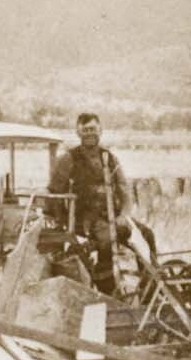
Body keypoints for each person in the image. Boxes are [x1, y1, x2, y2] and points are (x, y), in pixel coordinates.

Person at [46, 113, 156, 295]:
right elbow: (54, 193)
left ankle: (150, 289)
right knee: (106, 241)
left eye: (93, 129)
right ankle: (108, 292)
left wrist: (123, 215)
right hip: (85, 220)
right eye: (85, 130)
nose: (89, 134)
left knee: (147, 235)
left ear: (101, 131)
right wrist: (62, 222)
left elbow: (124, 191)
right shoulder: (68, 159)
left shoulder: (110, 158)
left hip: (113, 216)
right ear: (78, 132)